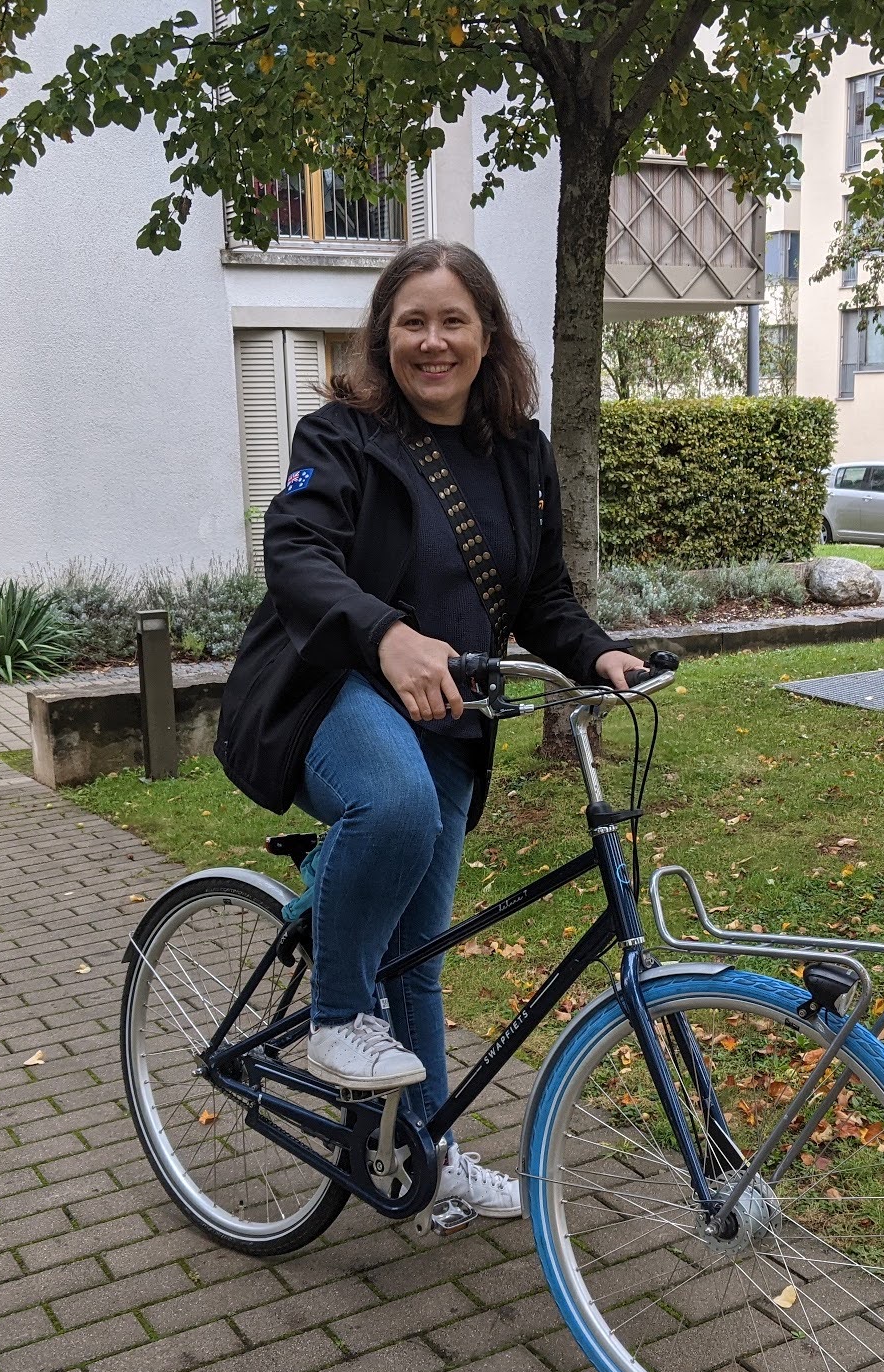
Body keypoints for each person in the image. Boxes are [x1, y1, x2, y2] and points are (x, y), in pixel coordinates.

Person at [215, 240, 645, 1219]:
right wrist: (391, 636)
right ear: (384, 335)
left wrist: (599, 655)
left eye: (454, 319)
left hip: (451, 714)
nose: (433, 340)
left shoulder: (518, 454)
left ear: (487, 334)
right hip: (331, 688)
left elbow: (540, 596)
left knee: (419, 955)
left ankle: (426, 1153)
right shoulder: (341, 438)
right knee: (395, 805)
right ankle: (332, 1017)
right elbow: (298, 558)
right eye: (413, 320)